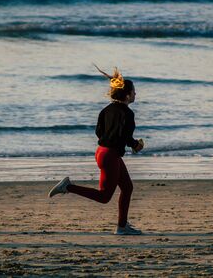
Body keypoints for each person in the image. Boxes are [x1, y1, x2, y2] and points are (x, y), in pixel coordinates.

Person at [48, 65, 144, 235]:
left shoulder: (105, 109)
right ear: (128, 95)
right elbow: (126, 137)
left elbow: (98, 132)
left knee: (127, 187)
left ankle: (122, 226)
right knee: (104, 197)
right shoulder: (128, 114)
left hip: (102, 151)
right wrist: (136, 145)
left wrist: (118, 142)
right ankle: (68, 187)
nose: (136, 94)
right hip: (110, 155)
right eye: (134, 92)